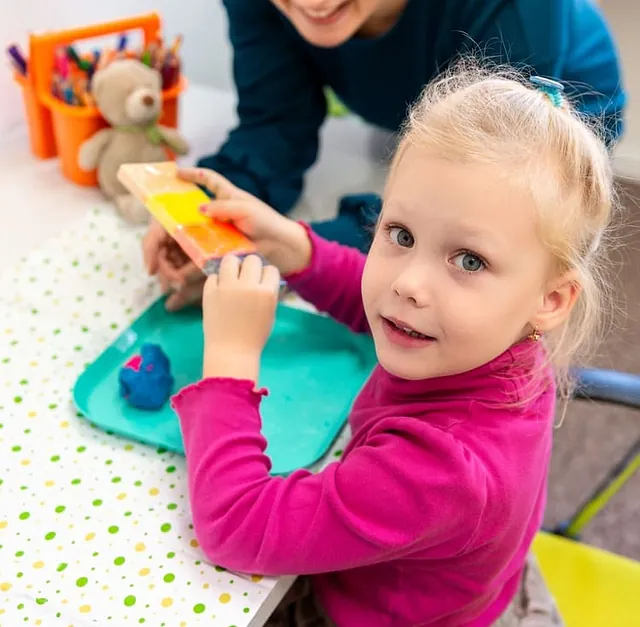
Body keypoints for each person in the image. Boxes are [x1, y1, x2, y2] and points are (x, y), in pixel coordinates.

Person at [169, 61, 616, 626]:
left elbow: (237, 528)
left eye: (469, 260)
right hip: (474, 587)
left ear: (551, 300)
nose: (407, 283)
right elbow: (387, 310)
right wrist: (297, 249)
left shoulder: (438, 474)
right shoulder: (507, 337)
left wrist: (229, 362)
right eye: (400, 234)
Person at [143, 0, 624, 310]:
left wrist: (290, 251)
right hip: (422, 104)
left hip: (559, 120)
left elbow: (476, 208)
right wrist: (205, 220)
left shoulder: (517, 14)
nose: (314, 4)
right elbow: (274, 122)